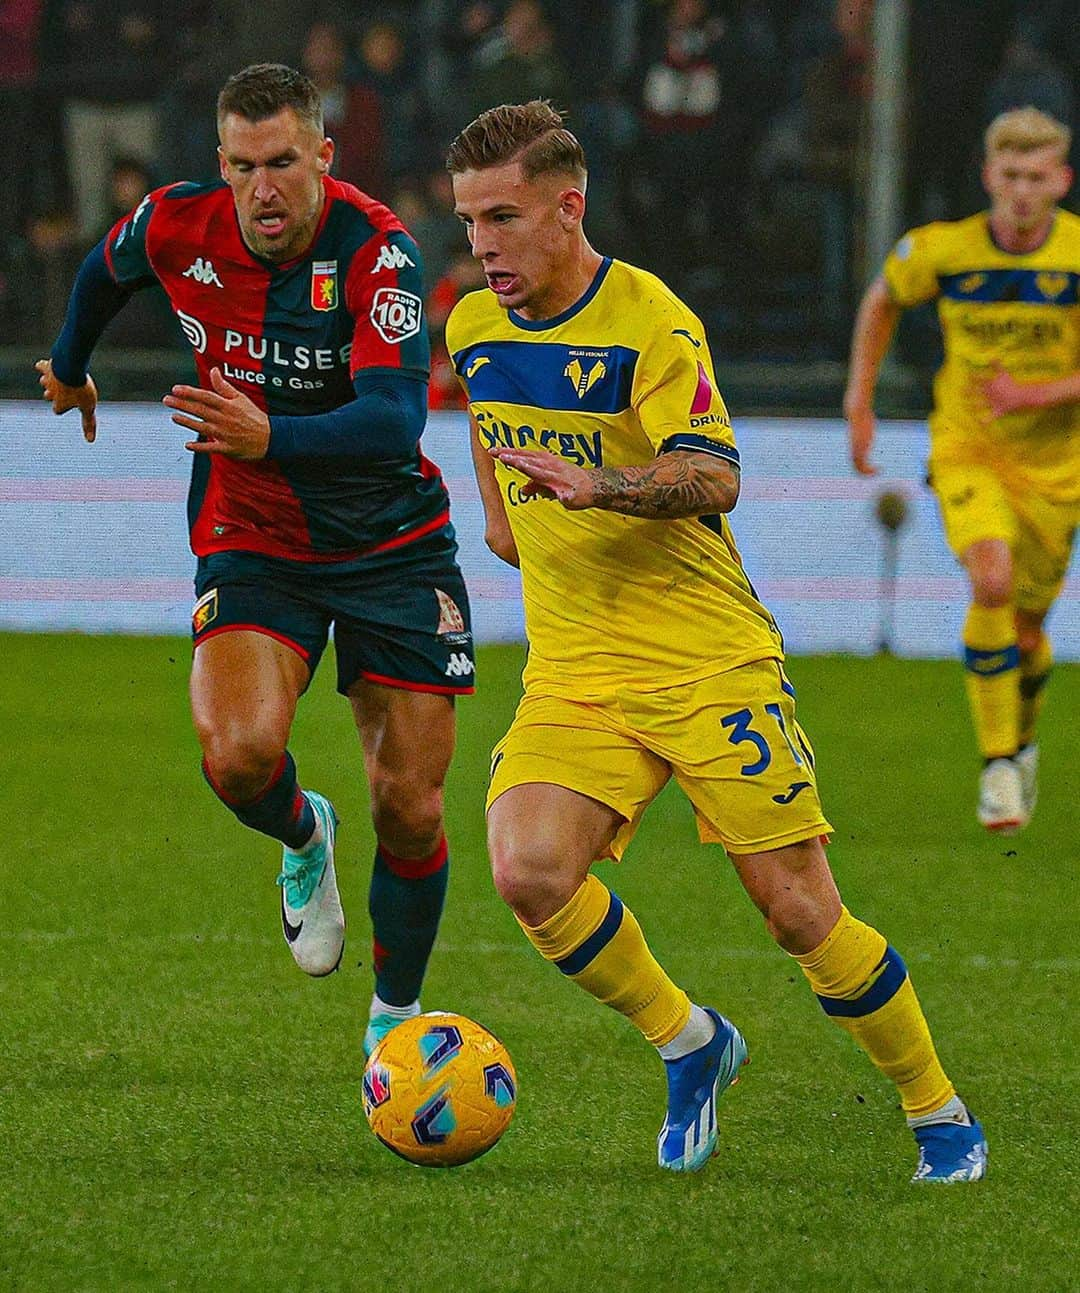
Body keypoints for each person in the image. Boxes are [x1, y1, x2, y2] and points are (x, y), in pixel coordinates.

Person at [444, 99, 986, 1182]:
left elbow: (714, 472)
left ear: (568, 207)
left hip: (706, 659)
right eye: (468, 221)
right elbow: (488, 428)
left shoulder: (651, 321)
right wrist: (503, 520)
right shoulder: (472, 325)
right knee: (531, 870)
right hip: (576, 667)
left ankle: (940, 1113)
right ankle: (692, 1044)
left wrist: (597, 484)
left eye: (502, 218)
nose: (482, 245)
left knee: (797, 910)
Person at [35, 63, 475, 1056]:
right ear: (220, 165)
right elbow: (104, 272)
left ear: (322, 156)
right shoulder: (174, 223)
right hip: (254, 536)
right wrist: (70, 366)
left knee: (409, 805)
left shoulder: (380, 253)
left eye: (283, 162)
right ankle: (303, 835)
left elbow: (397, 417)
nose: (263, 189)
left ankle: (392, 1026)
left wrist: (267, 432)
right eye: (242, 167)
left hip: (391, 546)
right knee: (238, 760)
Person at [844, 106, 1079, 833]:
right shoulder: (942, 250)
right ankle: (998, 764)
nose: (1021, 192)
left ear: (1061, 181)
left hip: (1057, 469)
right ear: (987, 176)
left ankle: (1021, 734)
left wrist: (1034, 394)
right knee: (992, 580)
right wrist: (859, 399)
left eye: (1036, 177)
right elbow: (882, 299)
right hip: (968, 451)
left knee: (1031, 634)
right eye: (1009, 175)